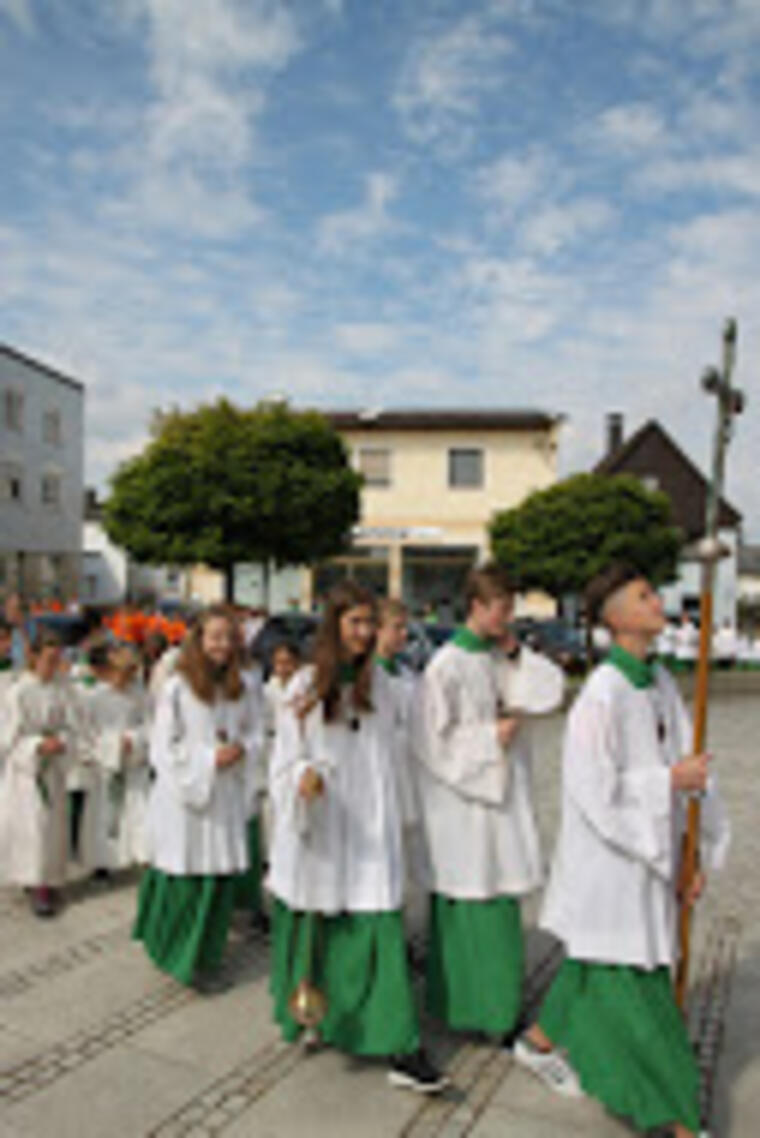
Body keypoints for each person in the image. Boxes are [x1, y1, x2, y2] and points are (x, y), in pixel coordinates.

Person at [513, 563, 730, 1138]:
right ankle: (680, 1120)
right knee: (641, 1004)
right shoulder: (600, 699)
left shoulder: (658, 684)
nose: (658, 601)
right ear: (615, 618)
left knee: (594, 966)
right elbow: (593, 794)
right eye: (643, 595)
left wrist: (694, 853)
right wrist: (667, 781)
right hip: (613, 869)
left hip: (651, 860)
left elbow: (693, 767)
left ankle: (539, 1043)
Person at [267, 580, 446, 1093]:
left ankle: (399, 1043)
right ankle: (314, 1015)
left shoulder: (384, 686)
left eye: (371, 622)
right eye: (356, 622)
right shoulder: (303, 684)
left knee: (377, 928)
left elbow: (400, 753)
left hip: (370, 828)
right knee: (319, 925)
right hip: (323, 824)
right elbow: (285, 755)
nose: (366, 633)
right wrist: (302, 776)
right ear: (334, 625)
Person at [416, 564, 542, 1042]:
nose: (507, 617)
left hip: (499, 801)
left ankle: (500, 1009)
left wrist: (514, 652)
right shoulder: (443, 666)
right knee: (468, 903)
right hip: (462, 810)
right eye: (501, 609)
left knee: (499, 903)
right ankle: (464, 1007)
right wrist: (491, 736)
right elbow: (431, 744)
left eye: (510, 608)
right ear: (475, 607)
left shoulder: (497, 656)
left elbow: (544, 691)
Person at [133, 605, 264, 990]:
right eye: (215, 637)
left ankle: (207, 955)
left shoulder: (247, 685)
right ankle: (177, 955)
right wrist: (207, 760)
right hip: (186, 799)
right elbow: (162, 747)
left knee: (217, 878)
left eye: (229, 637)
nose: (223, 645)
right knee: (186, 877)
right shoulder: (178, 686)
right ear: (199, 640)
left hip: (224, 796)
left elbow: (258, 731)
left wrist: (243, 749)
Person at [0, 628, 88, 916]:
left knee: (52, 829)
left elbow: (77, 726)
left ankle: (48, 879)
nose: (54, 666)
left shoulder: (64, 689)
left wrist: (64, 742)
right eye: (48, 659)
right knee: (34, 829)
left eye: (58, 659)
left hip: (54, 772)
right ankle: (37, 886)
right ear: (34, 657)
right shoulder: (18, 691)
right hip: (28, 774)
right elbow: (8, 738)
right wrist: (37, 745)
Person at [85, 645, 150, 877]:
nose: (126, 679)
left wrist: (135, 739)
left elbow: (149, 723)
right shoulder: (95, 697)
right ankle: (102, 861)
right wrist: (111, 744)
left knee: (138, 808)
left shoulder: (140, 695)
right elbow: (88, 732)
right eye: (121, 672)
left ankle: (139, 855)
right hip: (107, 762)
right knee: (104, 811)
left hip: (133, 761)